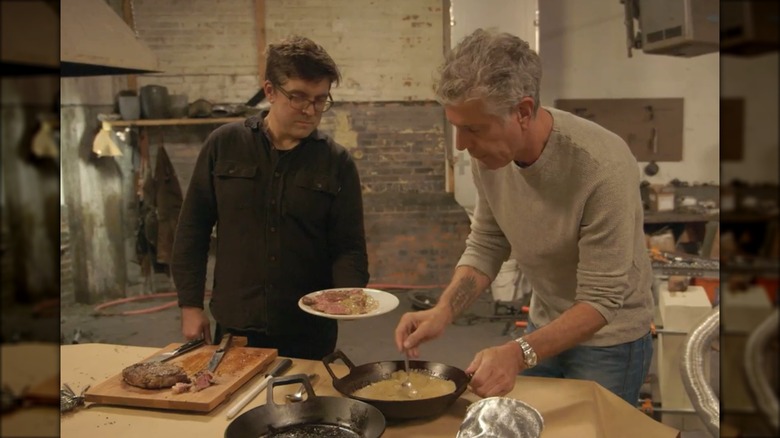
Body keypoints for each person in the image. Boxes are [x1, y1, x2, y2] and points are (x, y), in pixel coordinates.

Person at [394, 29, 654, 405]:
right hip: (545, 320)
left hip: (610, 341)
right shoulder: (491, 155)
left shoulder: (602, 167)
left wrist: (516, 353)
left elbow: (600, 301)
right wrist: (443, 311)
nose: (462, 145)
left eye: (473, 129)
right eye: (456, 127)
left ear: (523, 111)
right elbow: (488, 241)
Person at [172, 35, 369, 360]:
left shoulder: (336, 162)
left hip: (309, 329)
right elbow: (192, 230)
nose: (310, 110)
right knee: (236, 408)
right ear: (270, 91)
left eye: (321, 100)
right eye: (298, 97)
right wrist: (190, 305)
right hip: (238, 325)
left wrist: (346, 297)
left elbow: (349, 246)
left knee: (307, 407)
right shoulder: (223, 146)